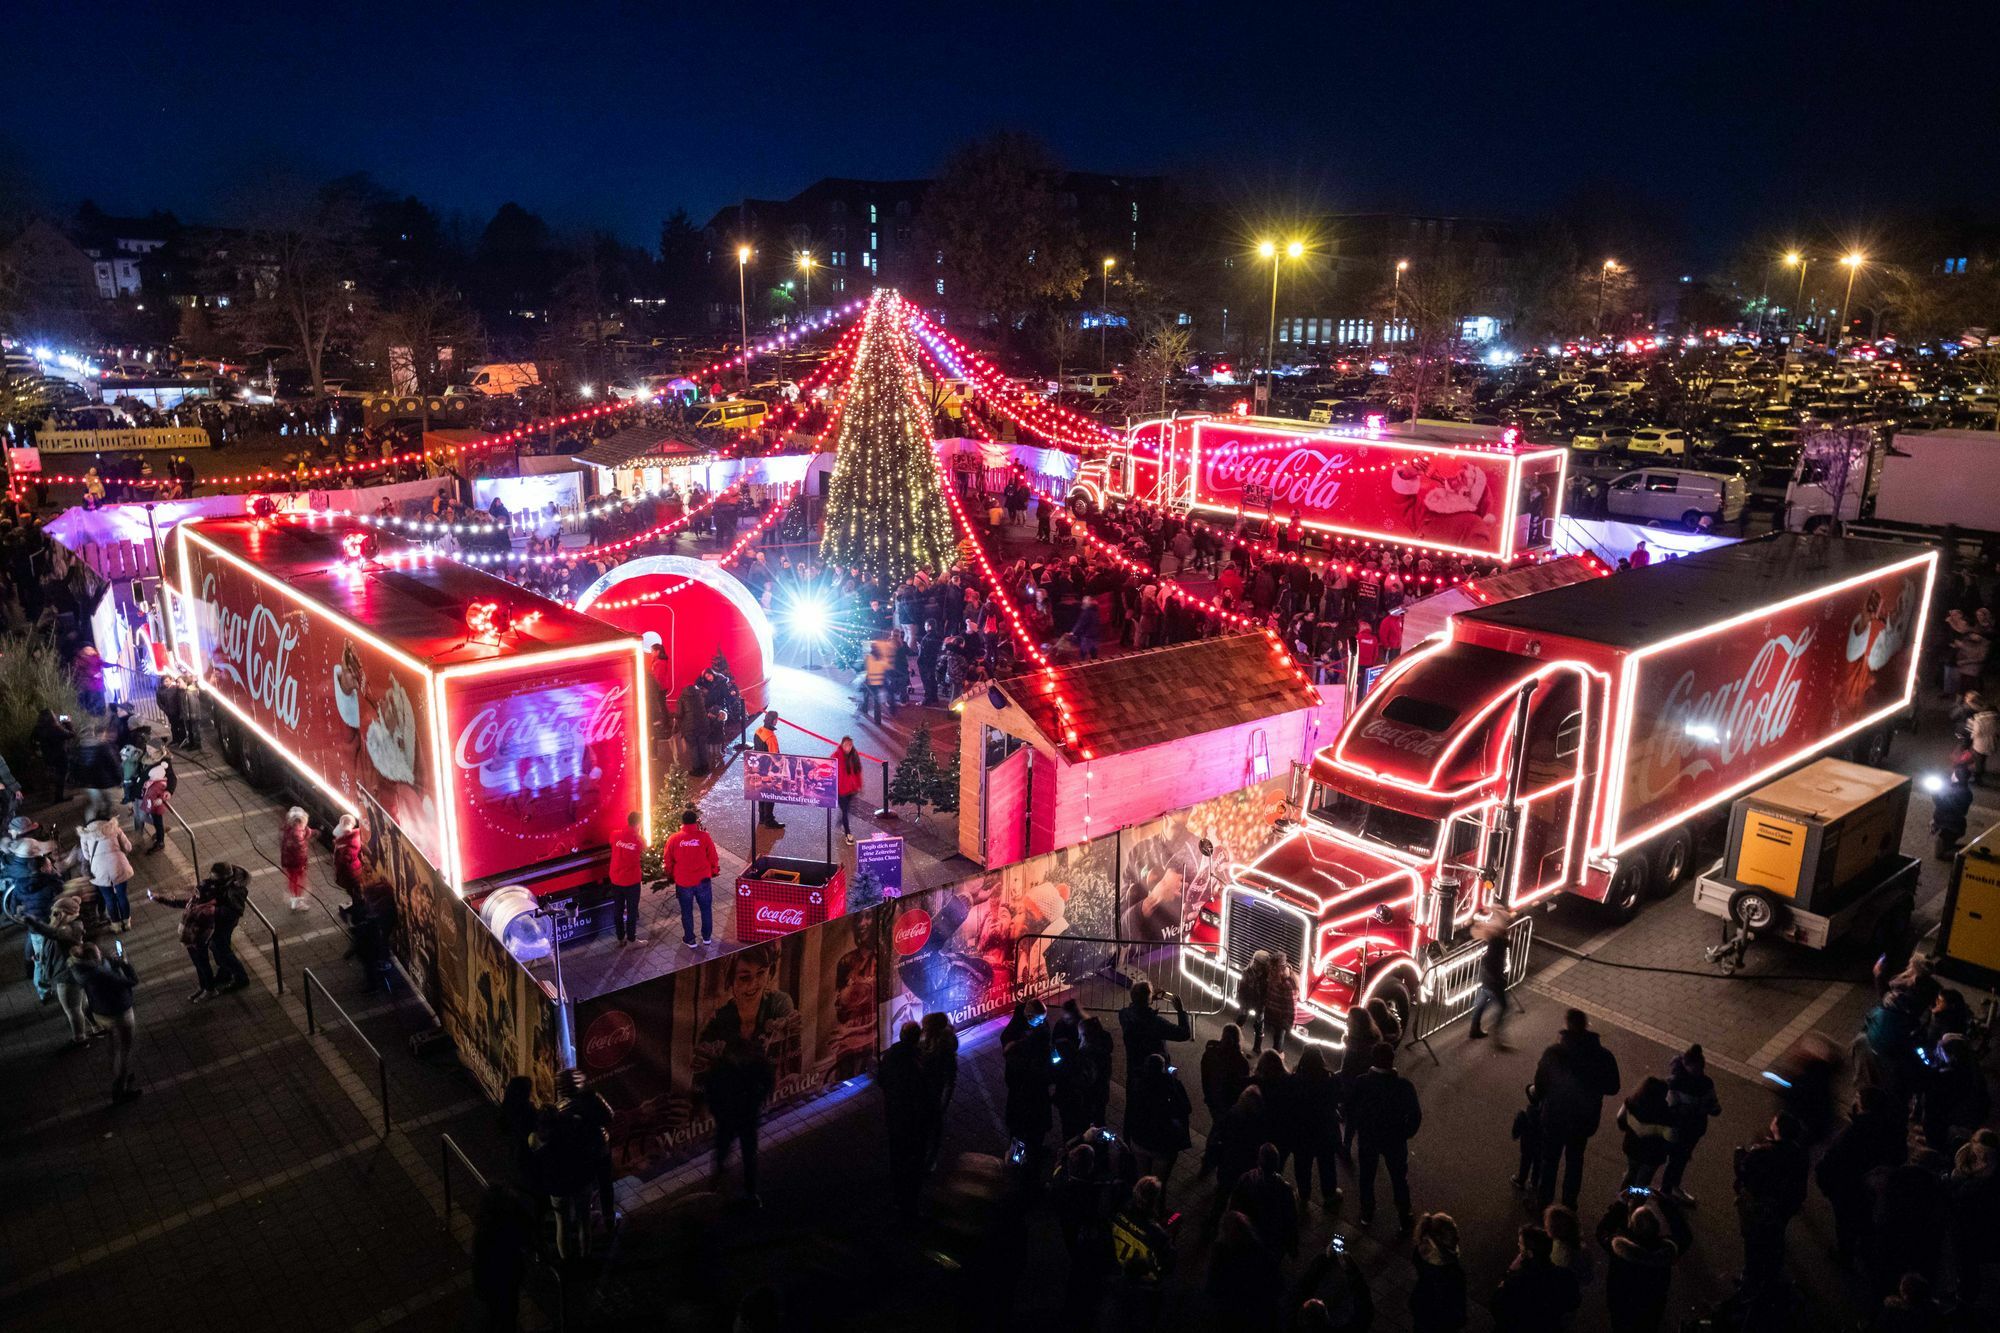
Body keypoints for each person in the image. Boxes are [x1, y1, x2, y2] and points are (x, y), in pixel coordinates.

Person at [1533, 1008, 1623, 1210]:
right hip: (1584, 1120)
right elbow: (1613, 1087)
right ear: (1586, 1026)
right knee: (1575, 1162)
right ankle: (1569, 1205)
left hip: (1555, 1117)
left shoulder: (1554, 1053)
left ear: (1566, 1025)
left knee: (1549, 1160)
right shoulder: (1602, 1056)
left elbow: (1539, 1085)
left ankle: (1543, 1203)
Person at [1814, 1086, 1906, 1268]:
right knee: (1867, 1224)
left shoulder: (1855, 1132)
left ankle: (1845, 1257)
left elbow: (1833, 1162)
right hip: (1876, 1189)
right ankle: (1867, 1254)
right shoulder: (1892, 1129)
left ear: (1863, 1105)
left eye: (1857, 1097)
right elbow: (1899, 1156)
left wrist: (1826, 1184)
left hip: (1850, 1188)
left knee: (1846, 1224)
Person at [1348, 1041, 1421, 1233]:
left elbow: (1351, 1108)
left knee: (1366, 1177)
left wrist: (1359, 1128)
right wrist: (1404, 1133)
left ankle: (1367, 1213)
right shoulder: (1404, 1086)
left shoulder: (1362, 1082)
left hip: (1368, 1139)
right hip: (1394, 1140)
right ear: (1392, 1060)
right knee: (1398, 1179)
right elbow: (1415, 1116)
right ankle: (1404, 1216)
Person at [1733, 1111, 1810, 1293]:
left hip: (1760, 1205)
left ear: (1777, 1128)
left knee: (1753, 1242)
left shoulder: (1763, 1152)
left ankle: (1751, 1280)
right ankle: (1772, 1276)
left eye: (1774, 1121)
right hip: (1784, 1206)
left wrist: (1741, 1154)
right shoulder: (1799, 1154)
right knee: (1776, 1237)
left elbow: (1744, 1172)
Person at [19, 894, 98, 1045]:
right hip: (70, 972)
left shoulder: (69, 928)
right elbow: (53, 944)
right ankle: (97, 1027)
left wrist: (32, 921)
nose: (52, 915)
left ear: (65, 913)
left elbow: (52, 934)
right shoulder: (67, 926)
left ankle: (80, 1039)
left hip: (67, 976)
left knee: (73, 1010)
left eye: (56, 912)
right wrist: (41, 957)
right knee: (82, 1004)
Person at [1595, 1195, 1680, 1333]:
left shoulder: (1619, 1249)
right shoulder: (1666, 1252)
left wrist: (1621, 1203)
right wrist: (1665, 1203)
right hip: (1652, 1307)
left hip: (1621, 1305)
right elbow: (1683, 1234)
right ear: (1657, 1226)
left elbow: (1602, 1231)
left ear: (1631, 1227)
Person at [706, 1034, 774, 1205]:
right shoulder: (724, 1067)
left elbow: (768, 1080)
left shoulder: (748, 1064)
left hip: (742, 1114)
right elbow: (711, 1091)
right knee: (727, 1150)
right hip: (731, 1116)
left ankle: (747, 1190)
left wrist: (759, 1098)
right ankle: (724, 1185)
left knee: (743, 1152)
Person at [72, 942, 140, 1103]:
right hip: (119, 1012)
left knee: (113, 1045)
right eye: (99, 954)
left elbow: (103, 970)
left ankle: (118, 1074)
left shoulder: (80, 969)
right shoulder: (101, 974)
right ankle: (120, 1087)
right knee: (125, 1050)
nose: (102, 954)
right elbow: (132, 981)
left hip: (100, 1012)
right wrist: (125, 963)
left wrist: (112, 962)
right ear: (93, 958)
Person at [1109, 1175, 1176, 1331]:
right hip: (1146, 1285)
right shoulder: (1158, 1235)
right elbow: (1168, 1265)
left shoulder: (1118, 1213)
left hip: (1119, 1272)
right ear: (1154, 1202)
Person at [877, 1020, 931, 1214]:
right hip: (913, 1117)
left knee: (897, 1152)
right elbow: (924, 1089)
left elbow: (881, 1080)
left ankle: (898, 1191)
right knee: (913, 1156)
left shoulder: (891, 1055)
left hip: (895, 1113)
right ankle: (910, 1199)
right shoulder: (918, 1059)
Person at [1126, 1052, 1194, 1195]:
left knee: (1142, 1179)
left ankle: (1140, 1201)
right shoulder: (1170, 1085)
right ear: (1163, 1069)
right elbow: (1185, 1108)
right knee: (1158, 1184)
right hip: (1162, 1145)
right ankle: (1156, 1204)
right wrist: (1173, 1081)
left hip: (1139, 1139)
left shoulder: (1138, 1082)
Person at [1491, 1224, 1580, 1331]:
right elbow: (1574, 1303)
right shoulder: (1566, 1276)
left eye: (1521, 1244)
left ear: (1530, 1253)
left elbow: (1496, 1307)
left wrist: (1508, 1275)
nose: (1518, 1245)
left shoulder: (1517, 1280)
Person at [1661, 1045, 1719, 1204]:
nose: (1699, 1072)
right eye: (1696, 1068)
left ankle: (1671, 1187)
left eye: (1701, 1069)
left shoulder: (1706, 1083)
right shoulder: (1675, 1082)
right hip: (1678, 1129)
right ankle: (1666, 1190)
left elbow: (1714, 1104)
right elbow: (1671, 1107)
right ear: (1686, 1065)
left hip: (1694, 1129)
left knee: (1681, 1159)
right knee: (1676, 1160)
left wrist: (1712, 1108)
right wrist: (1696, 1109)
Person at [1288, 1047, 1344, 1210]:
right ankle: (1330, 1194)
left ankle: (1303, 1194)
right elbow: (1339, 1099)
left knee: (1302, 1164)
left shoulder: (1295, 1080)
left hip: (1302, 1130)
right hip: (1325, 1130)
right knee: (1327, 1165)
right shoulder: (1331, 1080)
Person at [149, 877, 221, 1001]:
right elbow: (180, 903)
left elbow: (209, 929)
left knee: (203, 965)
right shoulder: (196, 901)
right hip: (190, 941)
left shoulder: (207, 909)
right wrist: (160, 899)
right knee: (198, 965)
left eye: (198, 892)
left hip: (197, 943)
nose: (195, 894)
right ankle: (203, 986)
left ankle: (210, 989)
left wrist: (198, 943)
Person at [1231, 1141, 1301, 1259]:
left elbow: (1234, 1206)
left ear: (1258, 1161)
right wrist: (1292, 1246)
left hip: (1249, 1235)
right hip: (1272, 1241)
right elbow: (1290, 1219)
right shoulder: (1284, 1189)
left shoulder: (1246, 1179)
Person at [664, 808, 720, 948]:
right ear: (696, 821)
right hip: (703, 880)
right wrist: (714, 870)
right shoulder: (704, 837)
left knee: (686, 911)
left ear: (682, 822)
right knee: (706, 909)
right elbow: (713, 856)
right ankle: (706, 937)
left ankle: (690, 939)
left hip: (683, 882)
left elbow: (668, 860)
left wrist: (670, 874)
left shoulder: (674, 839)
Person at [69, 812, 134, 931]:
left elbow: (87, 856)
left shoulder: (85, 835)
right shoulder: (114, 828)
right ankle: (126, 922)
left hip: (99, 869)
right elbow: (128, 847)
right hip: (118, 864)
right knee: (122, 895)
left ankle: (116, 925)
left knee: (109, 898)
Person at [1118, 981, 1191, 1077]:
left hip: (1134, 1069)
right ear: (1148, 997)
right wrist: (1181, 1011)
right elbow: (1184, 1034)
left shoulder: (1124, 1015)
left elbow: (1137, 1005)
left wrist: (1149, 998)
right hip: (1156, 1070)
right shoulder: (1155, 1023)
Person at [1409, 1212, 1468, 1332]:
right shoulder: (1450, 1272)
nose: (1458, 1238)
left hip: (1422, 1315)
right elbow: (1456, 1305)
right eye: (1453, 1236)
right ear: (1440, 1240)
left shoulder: (1422, 1251)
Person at [1616, 1076, 1677, 1190]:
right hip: (1653, 1154)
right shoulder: (1667, 1114)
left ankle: (1622, 1197)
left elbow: (1620, 1118)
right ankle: (1637, 1199)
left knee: (1631, 1173)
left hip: (1633, 1147)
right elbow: (1671, 1136)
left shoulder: (1632, 1102)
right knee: (1644, 1182)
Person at [918, 1012, 959, 1168]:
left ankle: (929, 1159)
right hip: (928, 1092)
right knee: (930, 1128)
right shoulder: (936, 1044)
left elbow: (950, 1079)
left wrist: (943, 1102)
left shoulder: (942, 1050)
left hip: (933, 1094)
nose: (923, 1029)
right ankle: (928, 1158)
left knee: (932, 1128)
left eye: (925, 1027)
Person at [1466, 908, 1513, 1045]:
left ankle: (1474, 1029)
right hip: (1493, 977)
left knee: (1481, 1002)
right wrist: (1499, 978)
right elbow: (1496, 960)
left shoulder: (1494, 936)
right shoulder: (1499, 938)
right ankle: (1496, 1033)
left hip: (1487, 975)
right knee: (1503, 1006)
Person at [206, 862, 251, 993]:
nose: (212, 879)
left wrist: (215, 910)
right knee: (215, 945)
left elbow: (234, 911)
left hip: (225, 923)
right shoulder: (224, 882)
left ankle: (240, 977)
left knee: (222, 949)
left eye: (215, 878)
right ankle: (225, 971)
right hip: (218, 920)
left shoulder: (235, 890)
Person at [1202, 1022, 1252, 1125]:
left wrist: (1208, 1095)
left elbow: (1205, 1076)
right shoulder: (1241, 1062)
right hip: (1228, 1102)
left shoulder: (1211, 1052)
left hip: (1212, 1096)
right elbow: (1241, 1086)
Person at [607, 810, 645, 945]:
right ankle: (631, 940)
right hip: (631, 881)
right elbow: (642, 848)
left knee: (618, 909)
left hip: (616, 879)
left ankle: (620, 938)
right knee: (632, 911)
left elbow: (611, 842)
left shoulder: (615, 834)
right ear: (639, 824)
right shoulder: (639, 840)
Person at [1930, 764, 1973, 860]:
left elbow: (1944, 806)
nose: (1952, 774)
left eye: (1954, 773)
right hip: (1950, 825)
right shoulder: (1962, 789)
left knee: (1940, 854)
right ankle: (1965, 849)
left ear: (1957, 777)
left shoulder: (1960, 793)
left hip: (1950, 827)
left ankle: (1968, 855)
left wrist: (1935, 794)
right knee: (1944, 845)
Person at [753, 711, 785, 830]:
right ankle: (769, 820)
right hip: (769, 770)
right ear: (774, 720)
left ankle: (762, 817)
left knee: (761, 793)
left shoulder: (759, 730)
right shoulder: (770, 737)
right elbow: (775, 756)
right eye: (776, 719)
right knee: (770, 794)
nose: (777, 721)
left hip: (759, 767)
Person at [1263, 953, 1299, 1057]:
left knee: (1278, 1042)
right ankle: (1277, 1056)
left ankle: (1277, 1059)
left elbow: (1291, 1007)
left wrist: (1289, 1024)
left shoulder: (1287, 984)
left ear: (1281, 969)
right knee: (1276, 1037)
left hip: (1281, 1018)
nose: (1272, 971)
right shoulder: (1275, 977)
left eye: (1274, 969)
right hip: (1274, 1015)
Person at [278, 806, 313, 911]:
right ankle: (298, 903)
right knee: (299, 883)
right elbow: (301, 850)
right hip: (297, 863)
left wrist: (309, 832)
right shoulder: (297, 834)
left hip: (288, 862)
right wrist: (303, 864)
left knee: (292, 881)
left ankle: (294, 901)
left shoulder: (287, 829)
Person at [331, 814, 365, 914]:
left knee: (354, 891)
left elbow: (345, 860)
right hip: (353, 872)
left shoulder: (348, 845)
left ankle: (358, 911)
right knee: (354, 891)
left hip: (351, 873)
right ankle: (357, 906)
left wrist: (339, 847)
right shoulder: (351, 839)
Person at [834, 736, 863, 844]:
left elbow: (858, 771)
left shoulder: (854, 755)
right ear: (842, 744)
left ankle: (841, 820)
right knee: (845, 811)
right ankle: (848, 834)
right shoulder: (836, 756)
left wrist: (859, 785)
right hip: (841, 791)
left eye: (850, 745)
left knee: (847, 810)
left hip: (851, 790)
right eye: (846, 745)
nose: (848, 747)